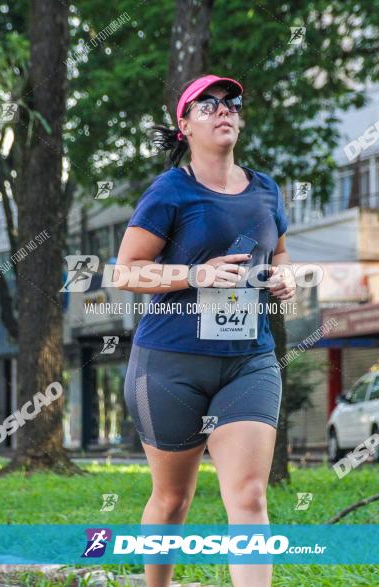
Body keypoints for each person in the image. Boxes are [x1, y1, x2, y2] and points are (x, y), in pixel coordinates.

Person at [117, 75, 295, 587]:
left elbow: (278, 252)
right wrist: (195, 274)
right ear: (184, 125)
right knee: (173, 500)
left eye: (232, 103)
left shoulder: (265, 189)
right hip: (170, 363)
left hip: (249, 360)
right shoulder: (171, 189)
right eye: (208, 104)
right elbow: (127, 271)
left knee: (250, 496)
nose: (224, 111)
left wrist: (283, 277)